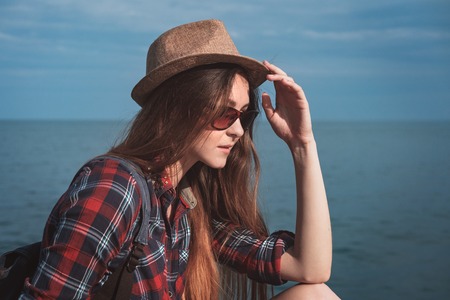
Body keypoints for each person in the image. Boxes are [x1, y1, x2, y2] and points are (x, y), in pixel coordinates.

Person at [19, 19, 339, 299]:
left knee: (315, 296)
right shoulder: (117, 188)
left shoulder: (186, 207)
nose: (239, 130)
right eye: (226, 114)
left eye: (244, 114)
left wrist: (302, 145)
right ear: (179, 108)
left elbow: (309, 268)